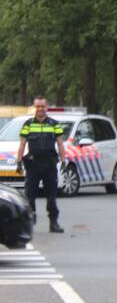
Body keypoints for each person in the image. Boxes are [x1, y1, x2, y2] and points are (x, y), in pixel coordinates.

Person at [15, 97, 67, 233]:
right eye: (37, 106)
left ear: (47, 107)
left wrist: (63, 161)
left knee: (51, 196)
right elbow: (22, 144)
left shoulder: (54, 124)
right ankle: (29, 223)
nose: (40, 109)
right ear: (34, 107)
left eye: (42, 106)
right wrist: (19, 161)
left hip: (49, 164)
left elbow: (61, 144)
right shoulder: (28, 124)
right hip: (33, 164)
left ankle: (54, 222)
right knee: (29, 196)